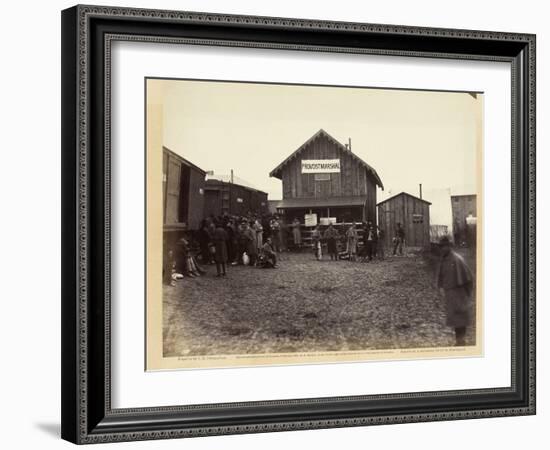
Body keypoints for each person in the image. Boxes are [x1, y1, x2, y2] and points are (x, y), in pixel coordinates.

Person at [435, 236, 474, 346]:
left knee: (460, 318)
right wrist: (440, 287)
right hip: (451, 294)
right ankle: (459, 341)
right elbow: (441, 275)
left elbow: (468, 278)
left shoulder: (457, 259)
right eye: (441, 247)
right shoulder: (444, 258)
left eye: (444, 247)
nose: (442, 249)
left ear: (449, 247)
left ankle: (461, 342)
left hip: (459, 292)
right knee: (456, 319)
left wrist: (467, 294)